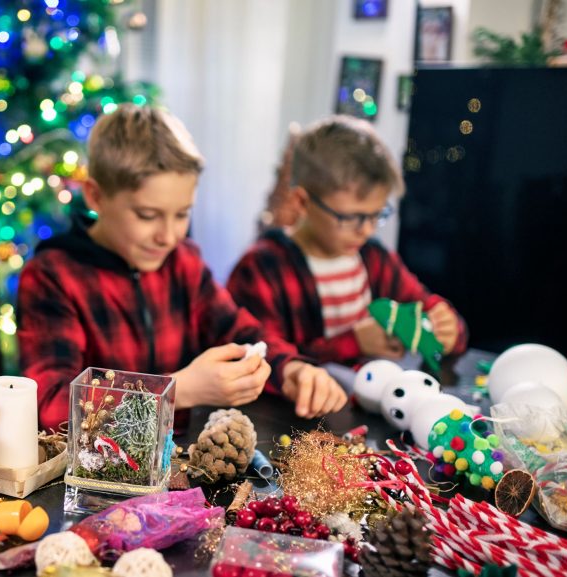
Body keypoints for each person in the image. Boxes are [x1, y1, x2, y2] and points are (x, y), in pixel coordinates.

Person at [17, 104, 347, 434]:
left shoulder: (182, 262)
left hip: (176, 467)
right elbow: (49, 405)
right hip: (91, 478)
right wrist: (176, 390)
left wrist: (292, 370)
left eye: (182, 214)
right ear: (95, 196)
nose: (169, 236)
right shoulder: (52, 277)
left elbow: (240, 332)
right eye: (147, 215)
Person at [227, 115, 467, 367]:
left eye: (377, 214)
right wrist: (353, 343)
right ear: (302, 202)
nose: (366, 230)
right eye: (351, 217)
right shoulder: (262, 270)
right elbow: (263, 362)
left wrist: (448, 327)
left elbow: (427, 306)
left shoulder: (374, 259)